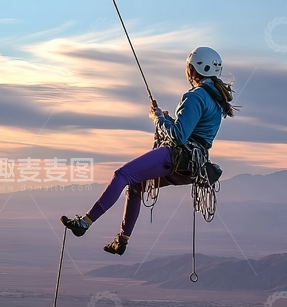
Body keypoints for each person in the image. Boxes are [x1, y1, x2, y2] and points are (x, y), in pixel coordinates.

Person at [60, 47, 236, 255]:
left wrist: (158, 119)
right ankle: (122, 240)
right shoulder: (215, 99)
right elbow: (193, 131)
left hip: (177, 156)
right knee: (136, 185)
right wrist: (166, 118)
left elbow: (179, 136)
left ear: (193, 69)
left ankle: (85, 222)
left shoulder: (196, 96)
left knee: (122, 175)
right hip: (192, 165)